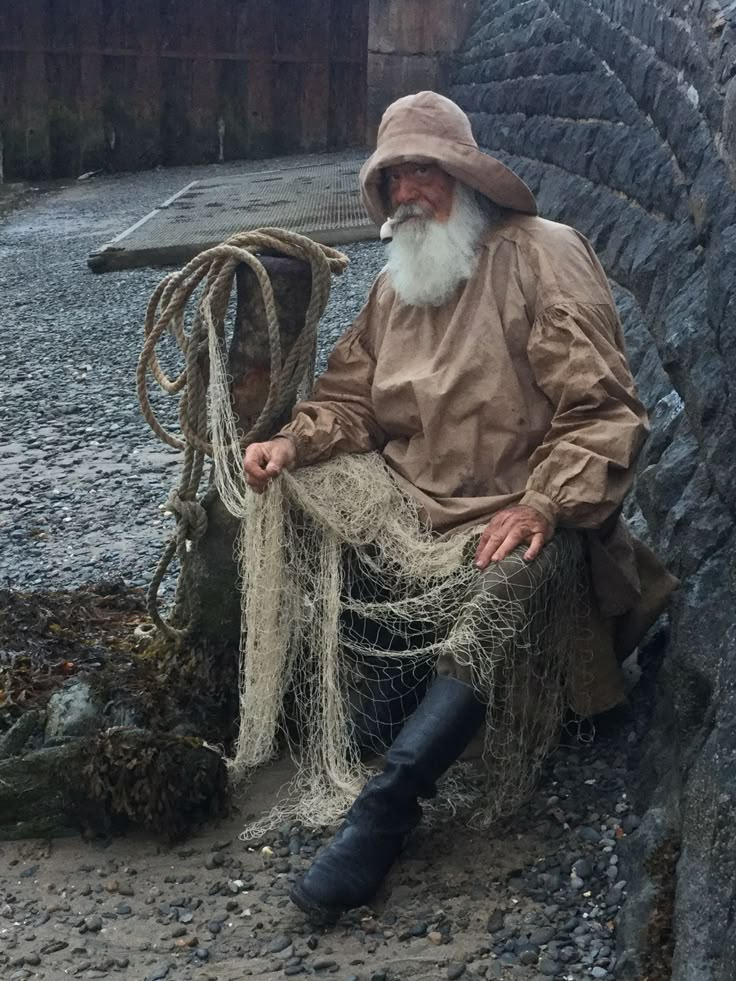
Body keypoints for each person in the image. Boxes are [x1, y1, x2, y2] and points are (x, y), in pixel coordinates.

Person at [242, 91, 676, 920]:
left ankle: (386, 808)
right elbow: (352, 403)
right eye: (396, 174)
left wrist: (546, 502)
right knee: (290, 486)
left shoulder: (541, 255)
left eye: (426, 172)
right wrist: (293, 442)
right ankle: (393, 679)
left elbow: (606, 410)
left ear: (465, 178)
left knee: (509, 574)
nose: (409, 191)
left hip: (519, 519)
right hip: (417, 523)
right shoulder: (393, 285)